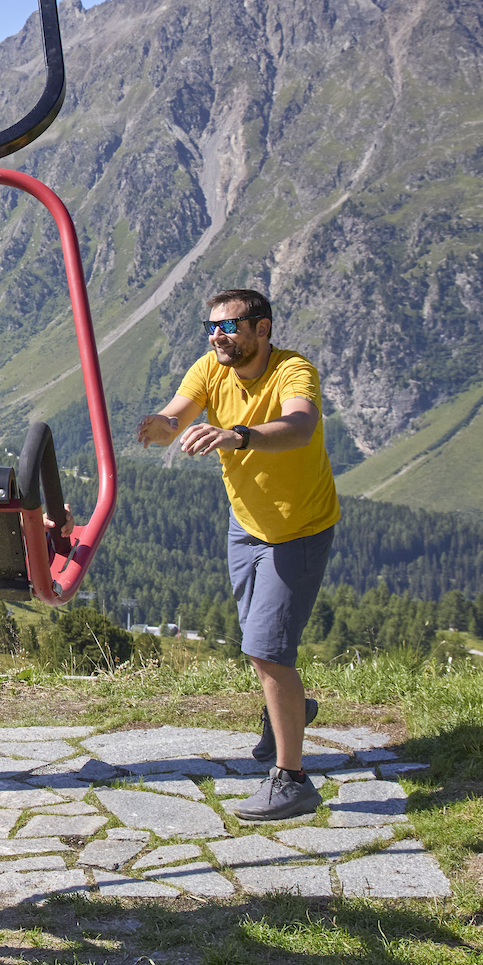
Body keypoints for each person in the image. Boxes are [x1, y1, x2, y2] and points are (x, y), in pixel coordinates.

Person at [136, 288, 340, 822]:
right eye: (211, 326)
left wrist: (238, 435)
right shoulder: (210, 367)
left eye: (227, 327)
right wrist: (160, 427)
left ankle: (292, 781)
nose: (216, 336)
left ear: (262, 329)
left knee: (267, 651)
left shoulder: (294, 370)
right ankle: (290, 713)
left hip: (297, 529)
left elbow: (300, 426)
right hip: (245, 526)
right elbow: (176, 416)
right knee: (260, 641)